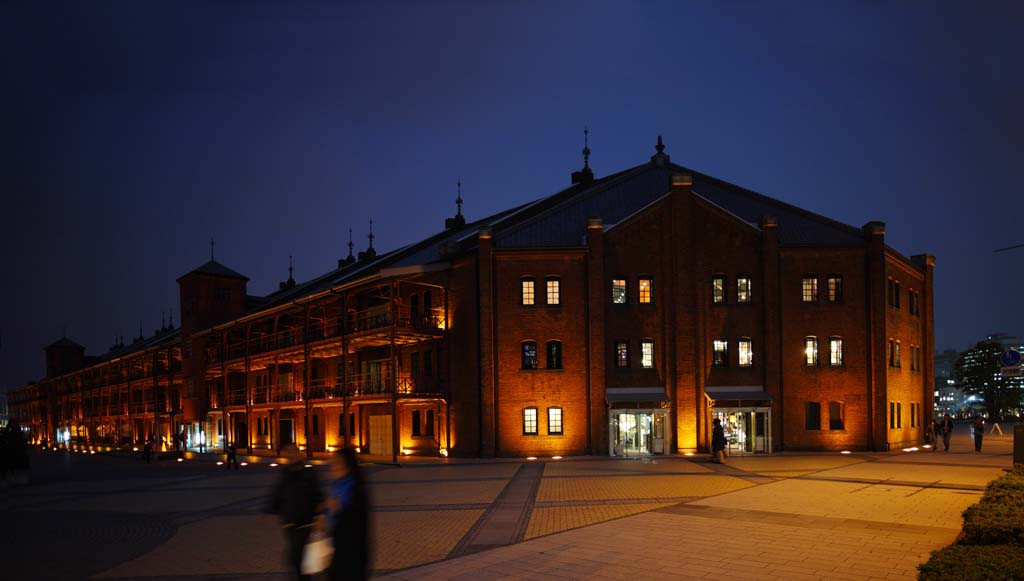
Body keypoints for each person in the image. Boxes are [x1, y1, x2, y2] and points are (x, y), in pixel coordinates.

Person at [270, 457, 324, 580]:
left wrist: (319, 516)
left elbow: (318, 495)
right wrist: (271, 512)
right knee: (294, 556)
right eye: (288, 453)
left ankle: (305, 577)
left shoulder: (308, 473)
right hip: (290, 523)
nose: (290, 455)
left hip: (305, 523)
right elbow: (278, 494)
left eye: (293, 452)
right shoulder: (286, 474)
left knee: (299, 555)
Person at [328, 448, 370, 581]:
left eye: (336, 463)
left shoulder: (355, 489)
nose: (332, 468)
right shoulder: (339, 487)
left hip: (352, 557)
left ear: (346, 466)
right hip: (340, 554)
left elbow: (356, 525)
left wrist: (337, 510)